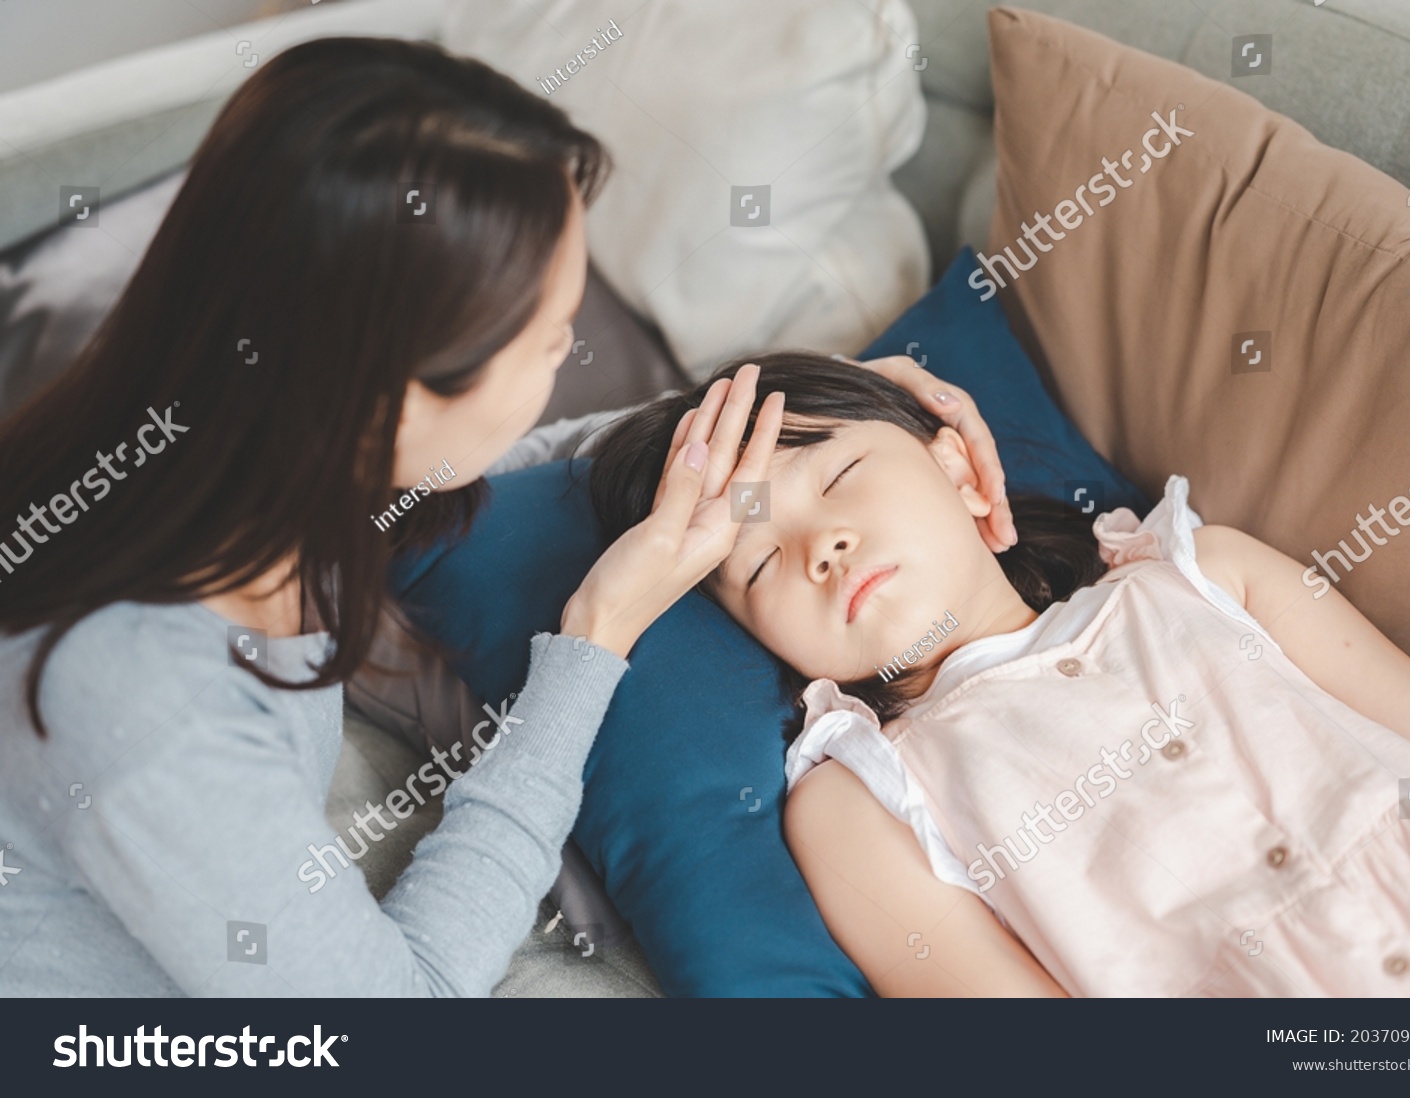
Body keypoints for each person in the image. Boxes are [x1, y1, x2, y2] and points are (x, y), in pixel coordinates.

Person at [0, 38, 1006, 997]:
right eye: (549, 340)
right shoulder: (142, 703)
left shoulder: (239, 459)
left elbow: (502, 470)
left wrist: (810, 415)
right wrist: (594, 638)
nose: (569, 354)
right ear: (387, 401)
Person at [588, 353, 1410, 998]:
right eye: (756, 565)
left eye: (843, 475)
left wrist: (825, 378)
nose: (819, 544)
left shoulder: (1204, 572)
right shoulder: (859, 803)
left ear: (960, 468)